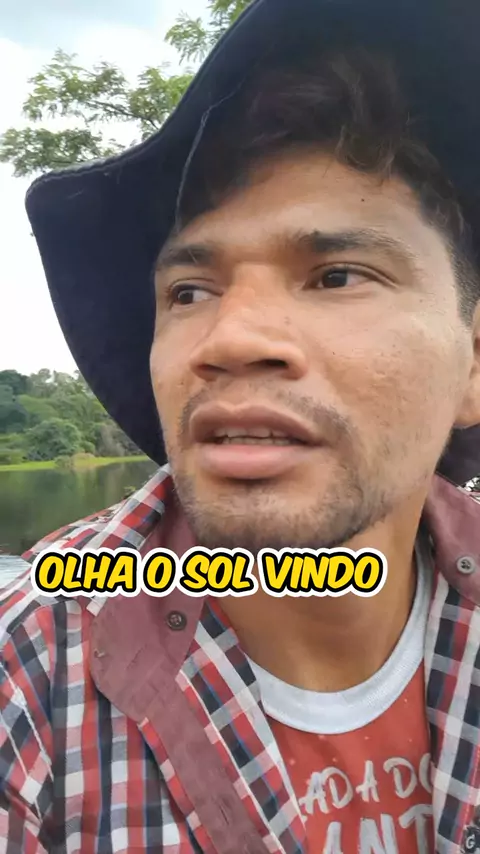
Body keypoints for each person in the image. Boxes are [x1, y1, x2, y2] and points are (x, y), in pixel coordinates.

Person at [2, 1, 480, 852]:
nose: (226, 341)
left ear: (472, 365)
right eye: (189, 292)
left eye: (337, 275)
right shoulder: (26, 674)